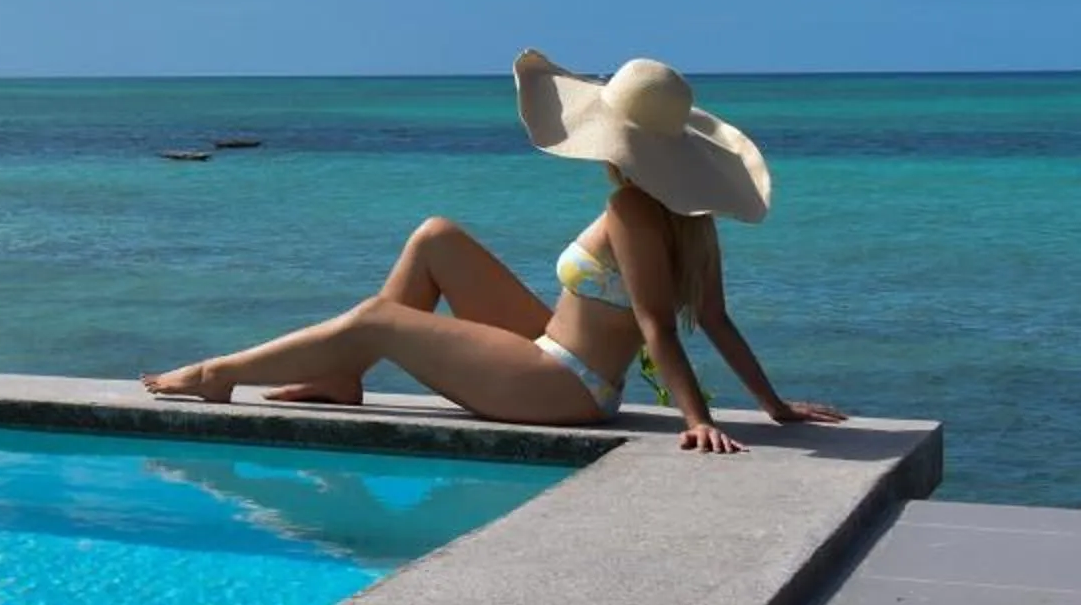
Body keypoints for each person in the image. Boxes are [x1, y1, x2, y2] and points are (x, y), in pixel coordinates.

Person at [141, 52, 846, 453]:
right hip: (556, 356)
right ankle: (341, 379)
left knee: (376, 318)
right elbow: (716, 318)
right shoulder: (691, 217)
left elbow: (660, 325)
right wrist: (774, 405)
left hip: (560, 386)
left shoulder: (632, 205)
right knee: (437, 235)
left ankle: (217, 373)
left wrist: (699, 422)